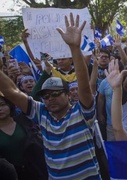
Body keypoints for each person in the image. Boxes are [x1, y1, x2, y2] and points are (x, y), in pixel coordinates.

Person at [0, 13, 100, 179]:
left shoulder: (82, 113)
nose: (50, 99)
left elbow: (84, 86)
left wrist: (75, 48)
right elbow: (12, 92)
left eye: (55, 94)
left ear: (68, 95)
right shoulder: (42, 113)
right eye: (45, 96)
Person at [0, 95, 47, 180]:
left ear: (10, 105)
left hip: (36, 170)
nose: (0, 109)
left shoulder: (24, 120)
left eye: (2, 104)